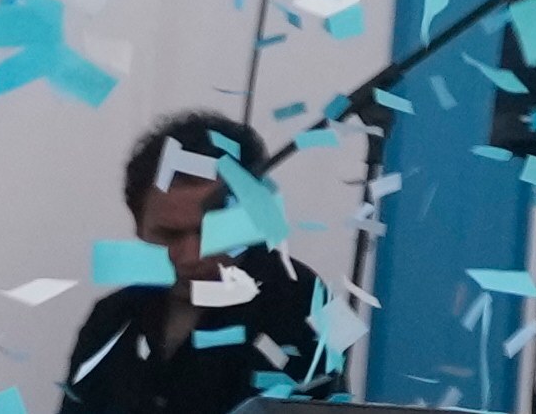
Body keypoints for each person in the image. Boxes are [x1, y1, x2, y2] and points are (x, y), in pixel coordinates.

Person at [58, 109, 347, 414]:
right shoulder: (111, 317)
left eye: (212, 234)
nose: (191, 256)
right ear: (139, 227)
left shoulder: (306, 301)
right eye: (168, 235)